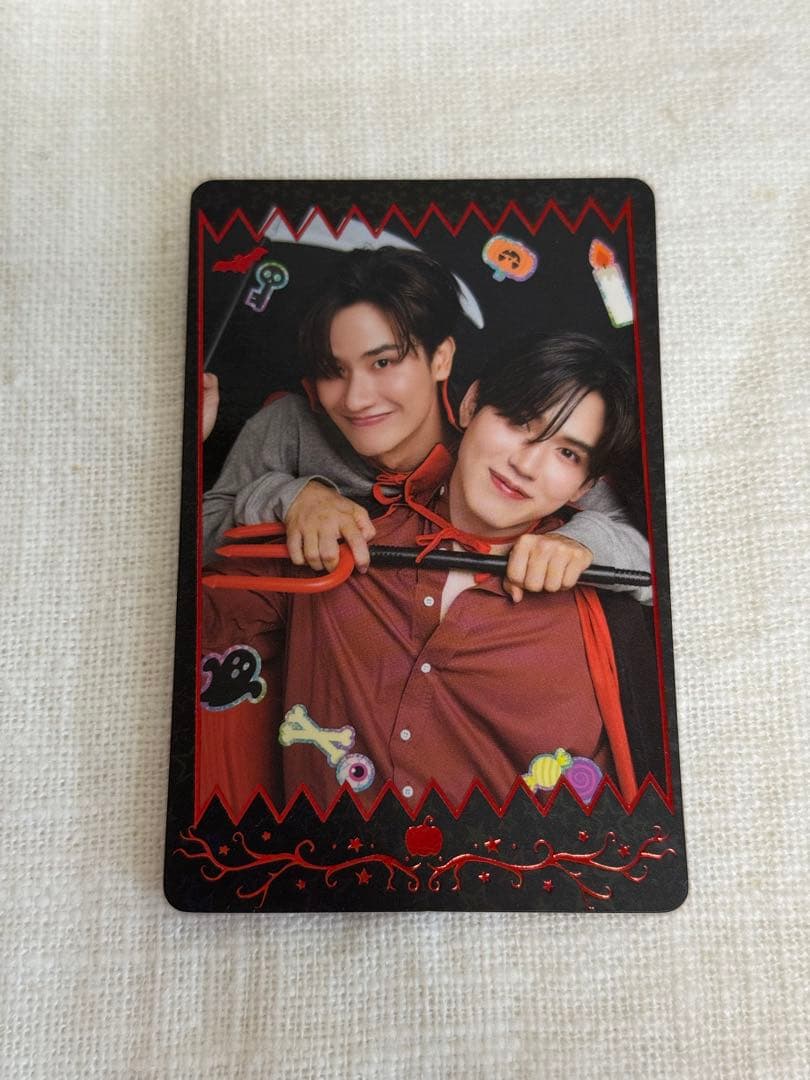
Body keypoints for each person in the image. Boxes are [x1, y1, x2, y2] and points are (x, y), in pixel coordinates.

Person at [200, 332, 647, 814]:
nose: (526, 464)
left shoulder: (601, 603)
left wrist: (588, 545)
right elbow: (192, 611)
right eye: (520, 421)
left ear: (586, 485)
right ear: (471, 405)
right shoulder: (347, 539)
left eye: (567, 454)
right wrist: (267, 488)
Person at [201, 247, 650, 603]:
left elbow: (648, 556)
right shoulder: (289, 423)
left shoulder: (500, 437)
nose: (355, 399)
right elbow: (199, 539)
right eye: (333, 370)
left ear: (441, 359)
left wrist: (580, 544)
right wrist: (291, 497)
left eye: (383, 362)